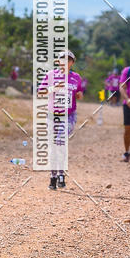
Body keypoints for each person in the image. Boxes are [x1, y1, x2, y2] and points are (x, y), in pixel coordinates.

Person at [39, 50, 83, 189]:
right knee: (53, 146)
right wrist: (53, 88)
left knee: (60, 142)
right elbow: (41, 91)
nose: (65, 62)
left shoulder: (76, 77)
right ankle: (53, 176)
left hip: (69, 116)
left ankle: (61, 173)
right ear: (58, 61)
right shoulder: (51, 75)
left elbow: (79, 91)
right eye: (62, 59)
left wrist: (79, 95)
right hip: (52, 115)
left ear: (72, 62)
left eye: (68, 60)